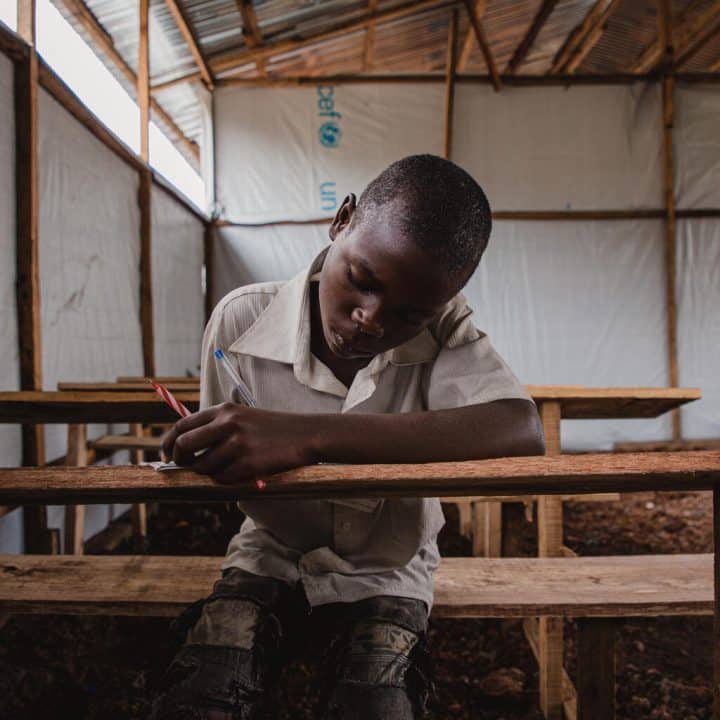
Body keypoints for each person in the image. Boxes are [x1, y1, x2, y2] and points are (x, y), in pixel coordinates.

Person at [151, 154, 545, 719]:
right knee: (206, 691)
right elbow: (227, 458)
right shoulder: (240, 322)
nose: (372, 320)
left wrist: (310, 436)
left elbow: (520, 430)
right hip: (271, 550)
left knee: (374, 703)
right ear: (342, 219)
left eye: (409, 314)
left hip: (389, 561)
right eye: (362, 280)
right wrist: (213, 455)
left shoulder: (446, 328)